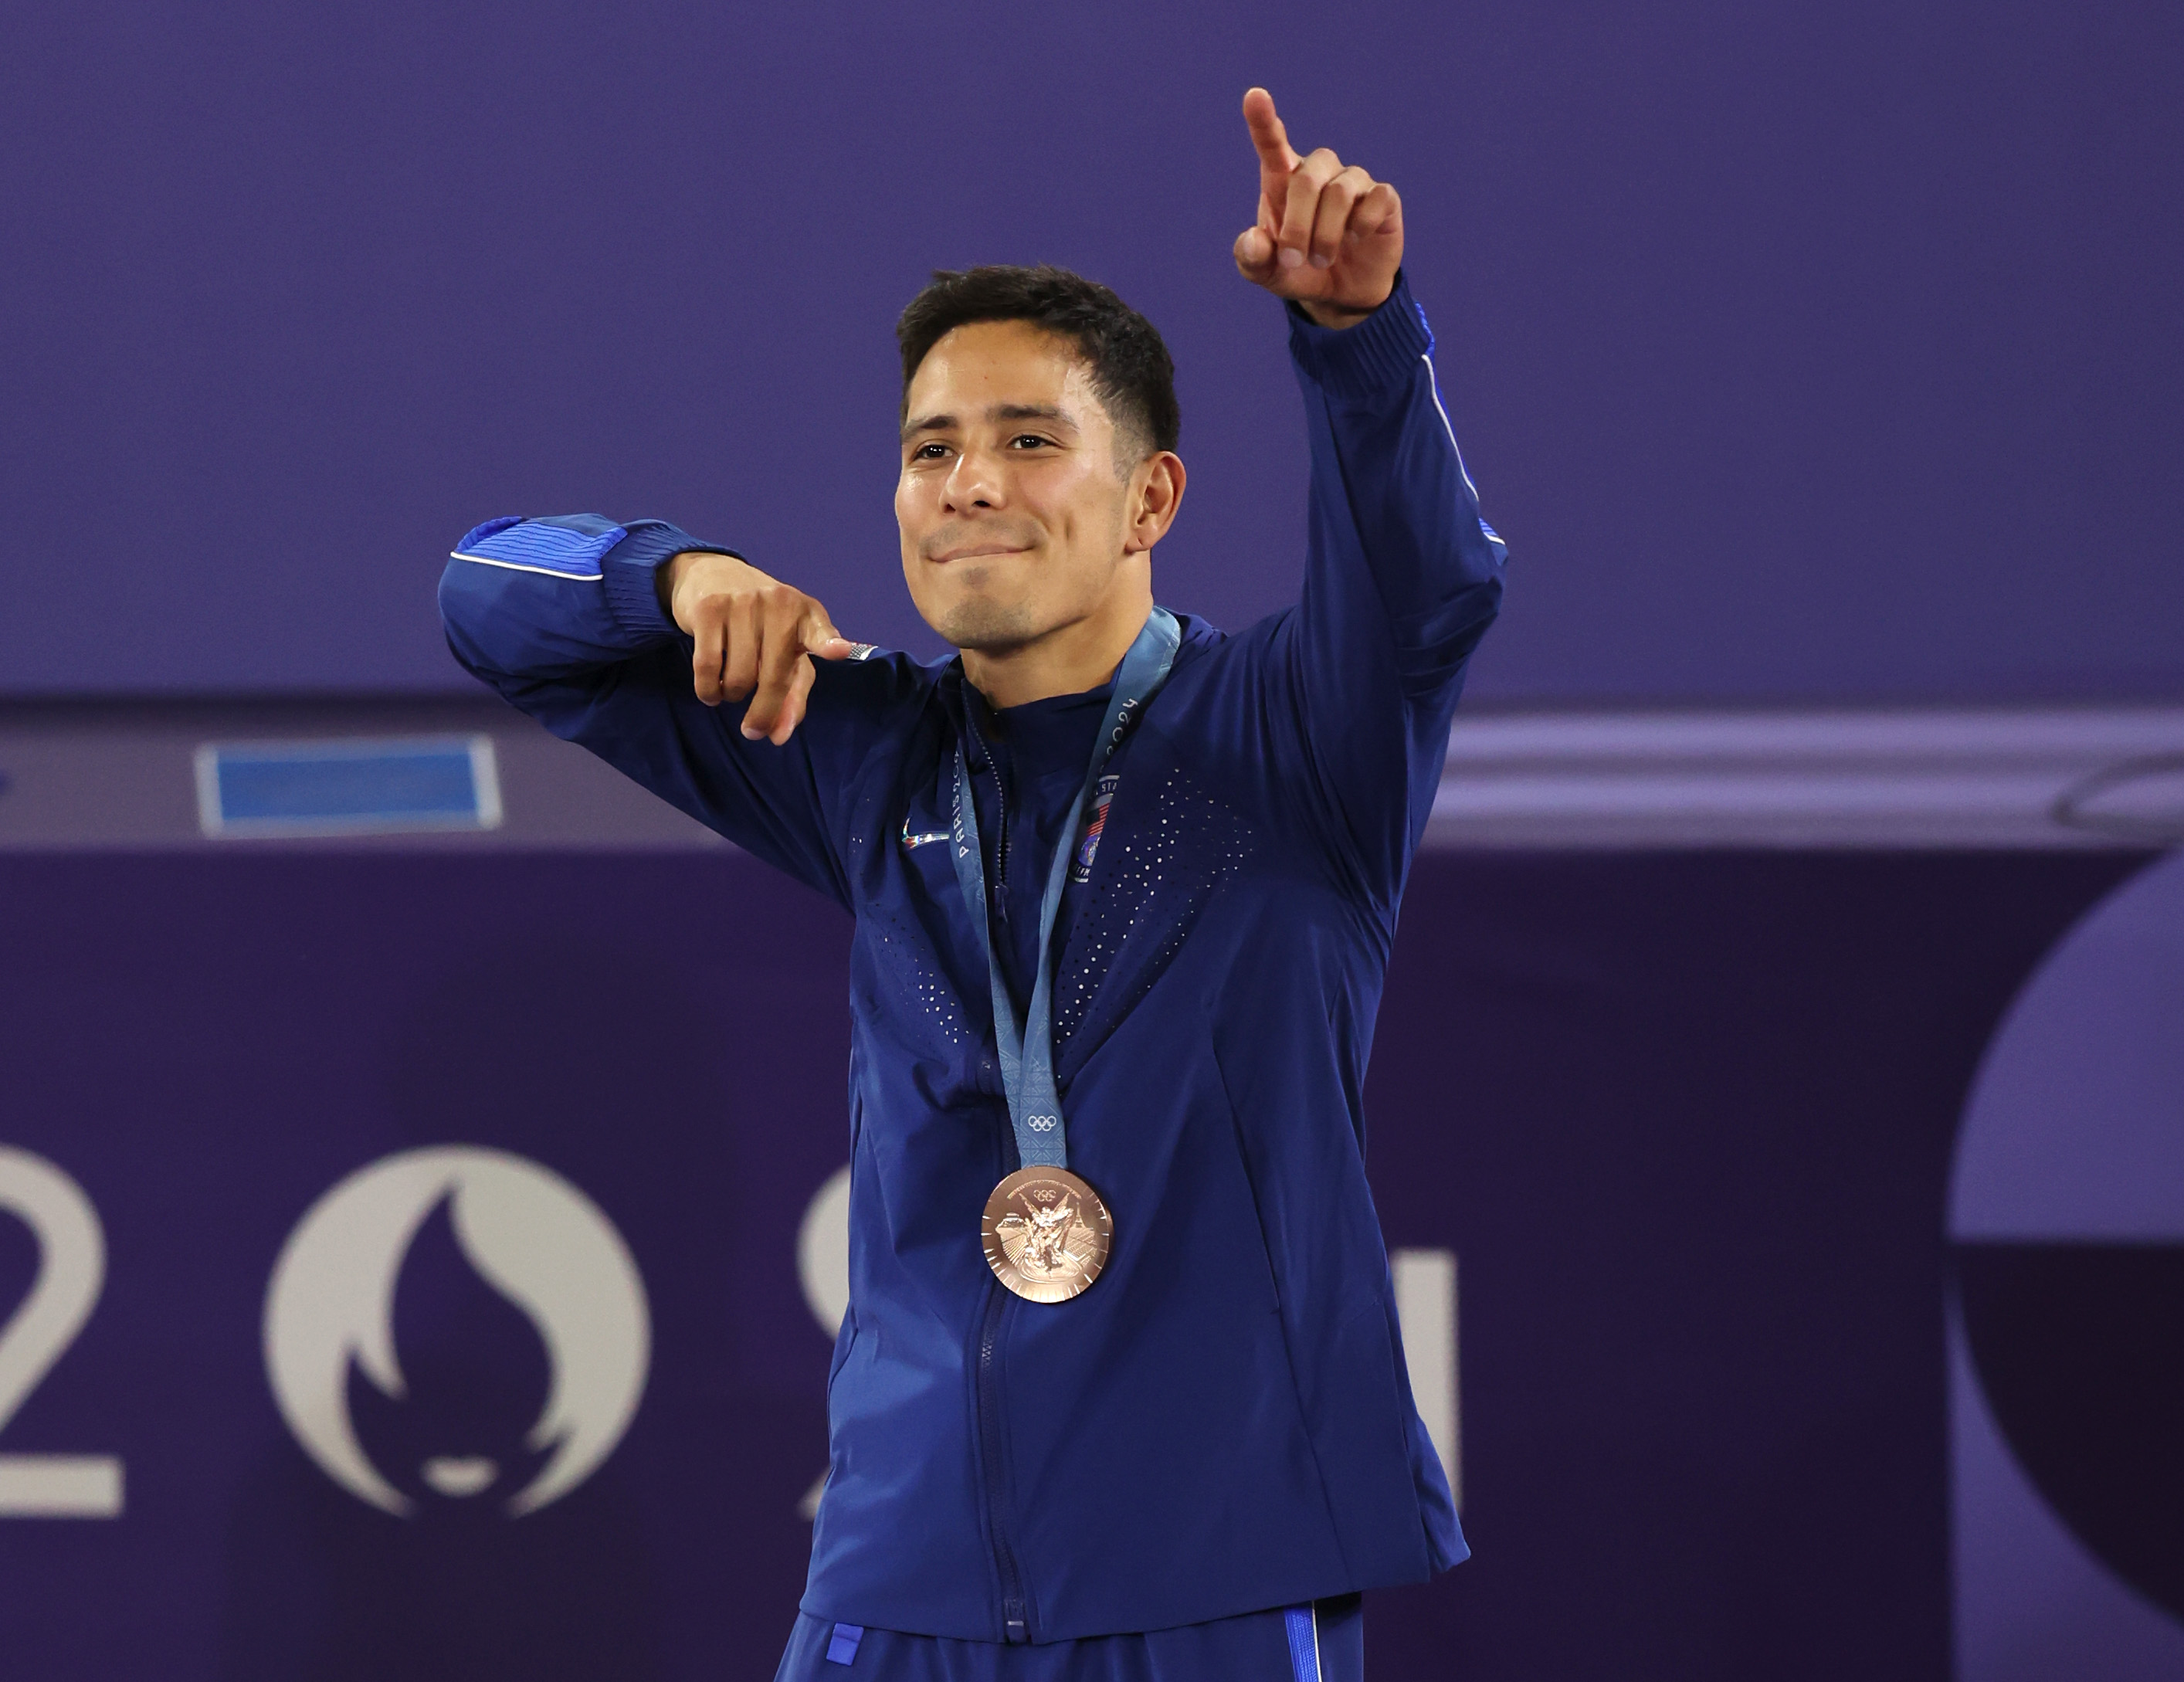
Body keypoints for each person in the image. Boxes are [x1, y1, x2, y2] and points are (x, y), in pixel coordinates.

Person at [440, 86, 1504, 1682]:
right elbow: (480, 598)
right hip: (896, 1580)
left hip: (1207, 1579)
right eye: (929, 447)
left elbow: (1430, 587)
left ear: (1147, 500)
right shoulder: (855, 744)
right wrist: (667, 574)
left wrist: (1355, 340)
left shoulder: (1290, 743)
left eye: (1027, 440)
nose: (967, 483)